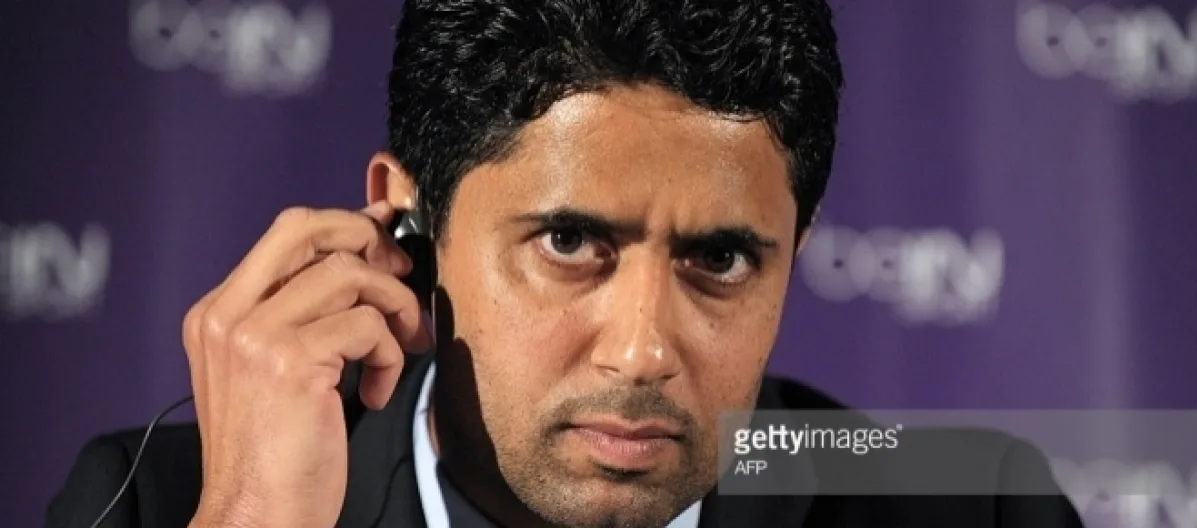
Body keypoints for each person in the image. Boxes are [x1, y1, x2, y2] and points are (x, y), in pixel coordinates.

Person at [47, 0, 1085, 526]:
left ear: (795, 250)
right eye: (571, 243)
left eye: (721, 256)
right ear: (406, 221)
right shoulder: (161, 507)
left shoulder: (972, 510)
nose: (641, 351)